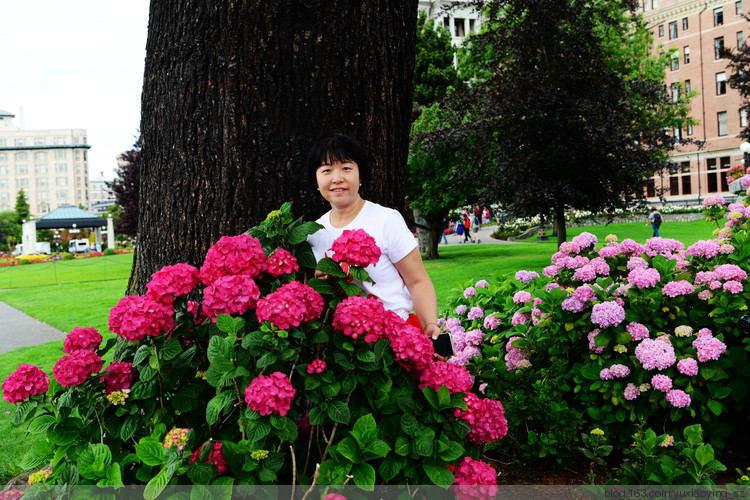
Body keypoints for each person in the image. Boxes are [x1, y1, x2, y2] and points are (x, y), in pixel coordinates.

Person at [305, 133, 441, 340]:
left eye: (346, 168)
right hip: (345, 347)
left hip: (394, 337)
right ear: (316, 179)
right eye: (326, 170)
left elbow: (417, 281)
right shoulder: (314, 233)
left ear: (361, 175)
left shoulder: (386, 220)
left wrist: (429, 324)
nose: (337, 178)